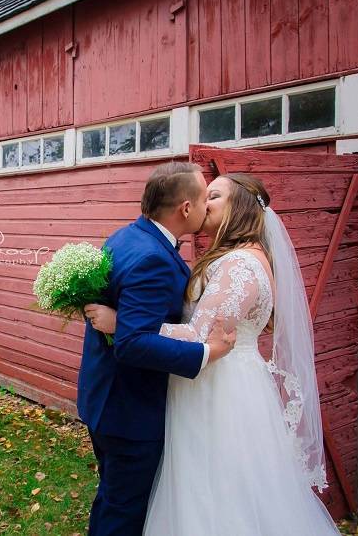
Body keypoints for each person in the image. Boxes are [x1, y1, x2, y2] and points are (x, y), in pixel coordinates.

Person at [86, 172, 341, 535]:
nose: (205, 203)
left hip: (221, 388)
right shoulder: (228, 258)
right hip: (208, 381)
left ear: (238, 208)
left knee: (221, 491)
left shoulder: (240, 265)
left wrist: (122, 322)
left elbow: (197, 336)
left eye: (215, 196)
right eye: (205, 196)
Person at [77, 162, 237, 536]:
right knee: (124, 511)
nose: (206, 208)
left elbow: (115, 313)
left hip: (104, 398)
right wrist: (205, 353)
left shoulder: (125, 237)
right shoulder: (152, 258)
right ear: (185, 209)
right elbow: (133, 344)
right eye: (203, 200)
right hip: (131, 410)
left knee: (113, 498)